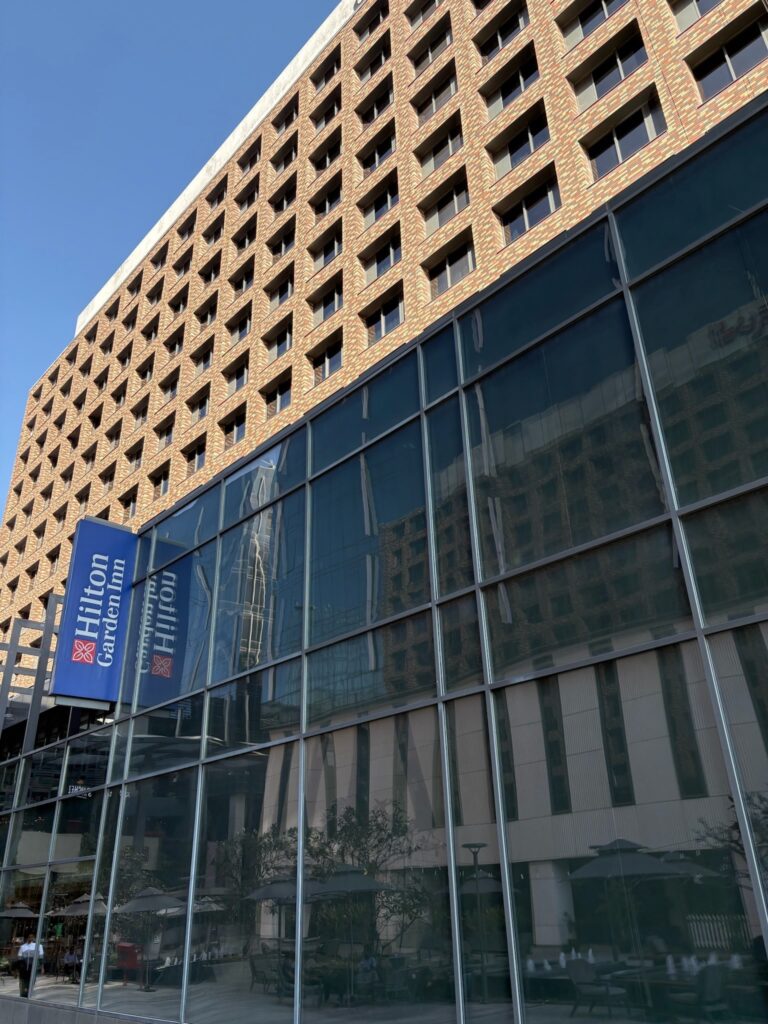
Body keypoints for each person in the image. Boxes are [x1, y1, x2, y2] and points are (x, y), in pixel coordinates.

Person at [17, 932, 44, 997]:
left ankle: (28, 994)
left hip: (32, 967)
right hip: (23, 968)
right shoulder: (23, 947)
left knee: (31, 981)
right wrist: (18, 969)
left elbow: (41, 958)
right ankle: (23, 995)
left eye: (32, 937)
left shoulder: (38, 946)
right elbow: (20, 959)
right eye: (29, 937)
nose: (30, 938)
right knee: (23, 982)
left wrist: (42, 967)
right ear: (27, 938)